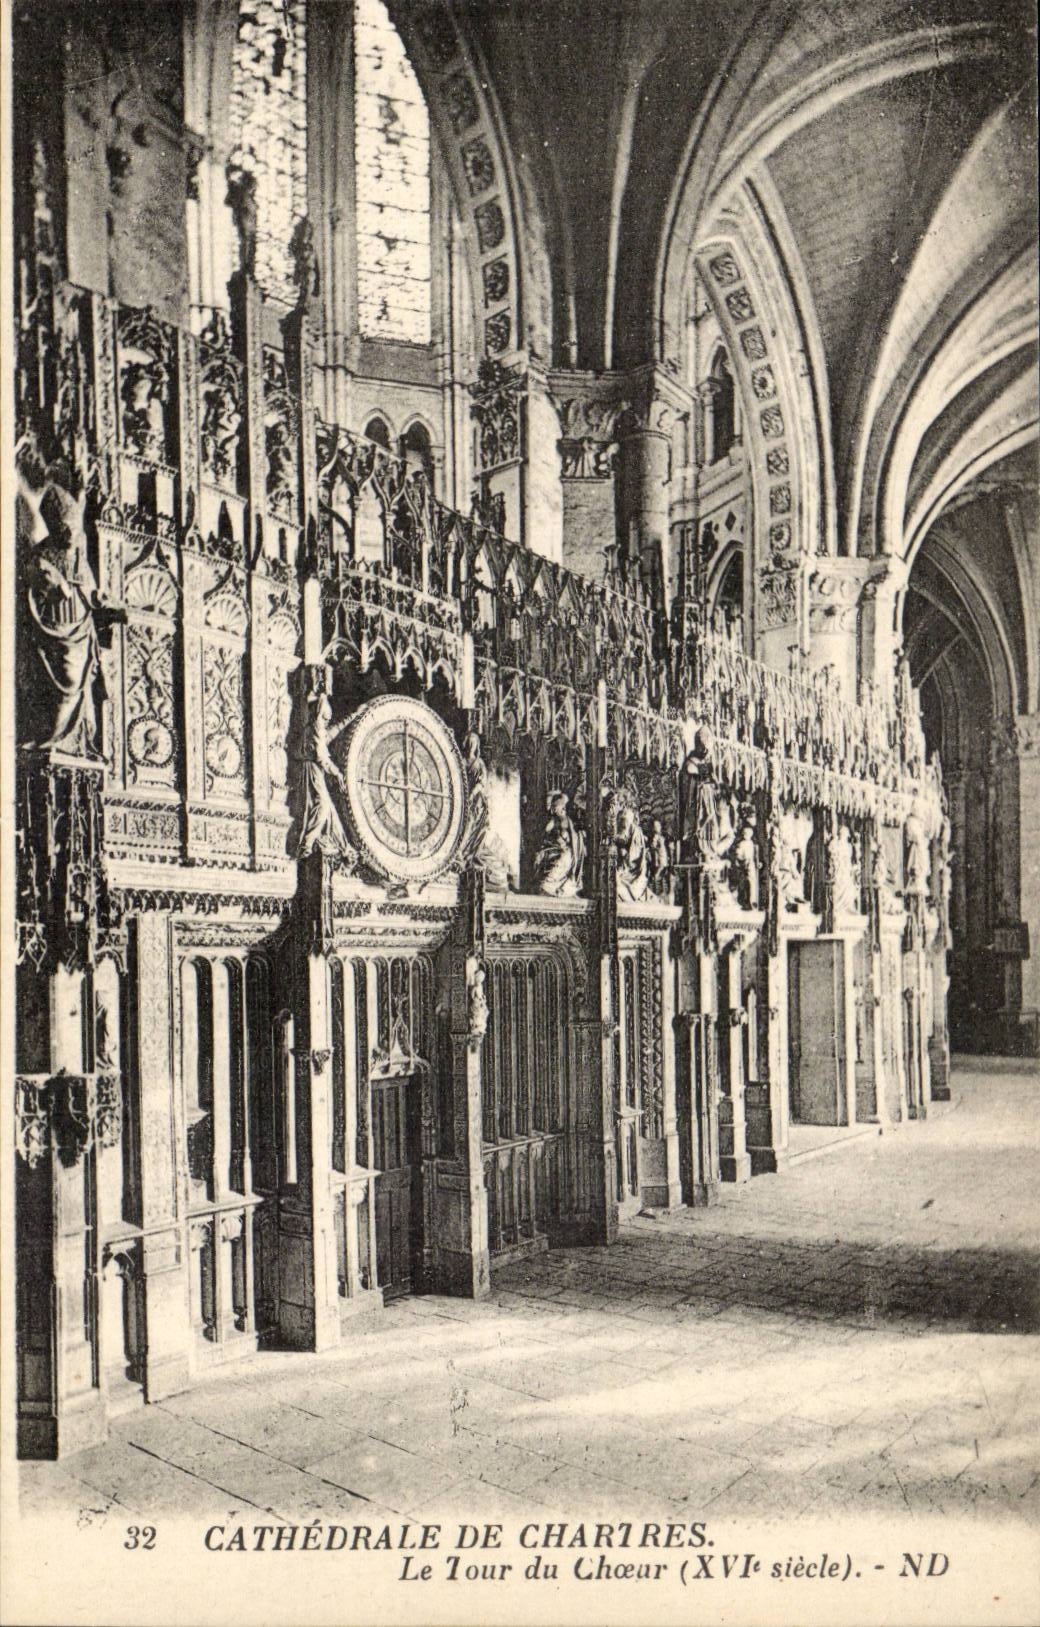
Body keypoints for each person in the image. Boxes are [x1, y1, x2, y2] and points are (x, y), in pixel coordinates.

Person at [534, 791, 585, 896]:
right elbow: (545, 833)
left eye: (555, 806)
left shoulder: (568, 822)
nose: (553, 809)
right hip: (553, 849)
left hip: (565, 852)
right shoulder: (554, 820)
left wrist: (564, 842)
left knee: (563, 859)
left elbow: (574, 840)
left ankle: (554, 885)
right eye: (553, 806)